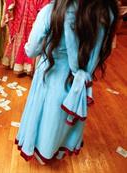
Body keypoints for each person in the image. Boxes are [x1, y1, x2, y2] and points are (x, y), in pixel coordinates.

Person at [15, 0, 118, 164]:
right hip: (77, 83)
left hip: (51, 74)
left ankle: (44, 154)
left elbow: (32, 49)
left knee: (47, 117)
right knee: (61, 122)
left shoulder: (52, 11)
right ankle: (57, 150)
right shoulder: (107, 13)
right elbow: (101, 52)